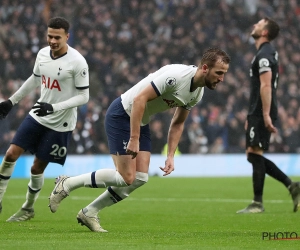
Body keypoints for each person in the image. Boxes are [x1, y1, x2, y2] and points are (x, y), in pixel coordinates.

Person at [48, 47, 231, 232]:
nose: (222, 78)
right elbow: (139, 99)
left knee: (140, 178)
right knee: (126, 177)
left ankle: (89, 212)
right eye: (219, 73)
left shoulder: (197, 92)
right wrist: (134, 138)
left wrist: (170, 156)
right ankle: (67, 183)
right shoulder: (177, 76)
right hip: (121, 114)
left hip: (140, 120)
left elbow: (177, 123)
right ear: (205, 68)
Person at [0, 17, 89, 221]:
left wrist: (55, 107)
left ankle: (28, 208)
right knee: (11, 153)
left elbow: (84, 96)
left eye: (57, 37)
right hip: (39, 113)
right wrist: (11, 102)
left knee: (36, 167)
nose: (52, 41)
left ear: (67, 36)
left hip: (61, 122)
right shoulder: (42, 54)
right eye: (49, 36)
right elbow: (35, 79)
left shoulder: (77, 62)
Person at [236, 17, 300, 214]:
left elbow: (266, 85)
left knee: (255, 154)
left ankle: (258, 203)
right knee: (252, 154)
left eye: (260, 23)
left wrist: (264, 115)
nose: (254, 24)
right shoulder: (265, 53)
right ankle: (292, 186)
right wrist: (251, 116)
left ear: (264, 32)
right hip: (257, 111)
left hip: (261, 110)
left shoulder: (265, 54)